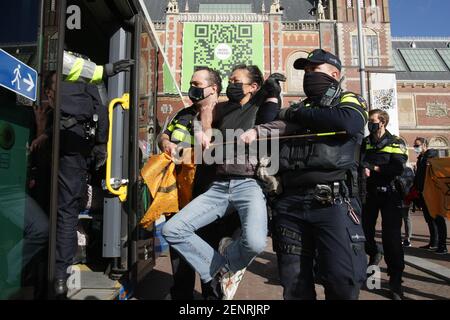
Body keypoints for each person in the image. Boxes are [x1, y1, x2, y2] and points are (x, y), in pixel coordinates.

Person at [241, 49, 369, 300]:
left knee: (341, 279)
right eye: (306, 71)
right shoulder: (301, 107)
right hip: (290, 205)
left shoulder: (349, 100)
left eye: (314, 70)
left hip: (333, 202)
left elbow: (348, 123)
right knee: (294, 283)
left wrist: (293, 114)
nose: (308, 75)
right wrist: (271, 97)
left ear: (334, 74)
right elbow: (267, 123)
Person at [162, 64, 281, 300]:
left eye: (236, 81)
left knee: (252, 242)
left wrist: (272, 97)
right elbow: (194, 123)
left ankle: (220, 276)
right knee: (175, 237)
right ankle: (214, 273)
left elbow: (274, 120)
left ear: (253, 87)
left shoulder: (260, 105)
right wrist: (199, 132)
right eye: (230, 80)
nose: (232, 85)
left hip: (240, 184)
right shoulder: (202, 111)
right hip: (202, 190)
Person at [38, 51, 134, 297]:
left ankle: (56, 273)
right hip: (76, 151)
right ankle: (60, 275)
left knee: (63, 210)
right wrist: (101, 145)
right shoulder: (85, 86)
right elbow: (102, 113)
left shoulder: (62, 80)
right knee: (67, 212)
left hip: (64, 150)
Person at [158, 67, 240, 300]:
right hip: (179, 195)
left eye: (197, 84)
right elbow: (164, 134)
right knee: (180, 255)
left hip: (210, 198)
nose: (192, 88)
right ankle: (181, 296)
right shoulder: (183, 114)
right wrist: (166, 143)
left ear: (213, 88)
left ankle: (212, 298)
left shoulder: (229, 115)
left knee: (209, 251)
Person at [361, 109, 408, 300]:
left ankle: (395, 280)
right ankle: (373, 251)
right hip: (369, 194)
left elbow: (397, 167)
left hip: (390, 193)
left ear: (382, 122)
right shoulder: (365, 142)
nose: (370, 124)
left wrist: (375, 168)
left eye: (373, 121)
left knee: (392, 239)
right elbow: (360, 161)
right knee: (364, 233)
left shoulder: (396, 142)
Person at [413, 137, 448, 254]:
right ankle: (433, 242)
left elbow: (435, 163)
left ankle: (442, 245)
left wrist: (429, 160)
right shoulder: (420, 158)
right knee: (429, 219)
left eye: (417, 145)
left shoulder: (431, 155)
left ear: (424, 145)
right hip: (423, 192)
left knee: (438, 218)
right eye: (414, 145)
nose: (415, 148)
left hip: (433, 192)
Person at [399, 166, 415, 247]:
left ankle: (400, 238)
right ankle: (407, 239)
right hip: (407, 196)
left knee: (398, 218)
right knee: (406, 218)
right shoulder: (408, 169)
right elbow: (413, 183)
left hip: (398, 197)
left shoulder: (395, 168)